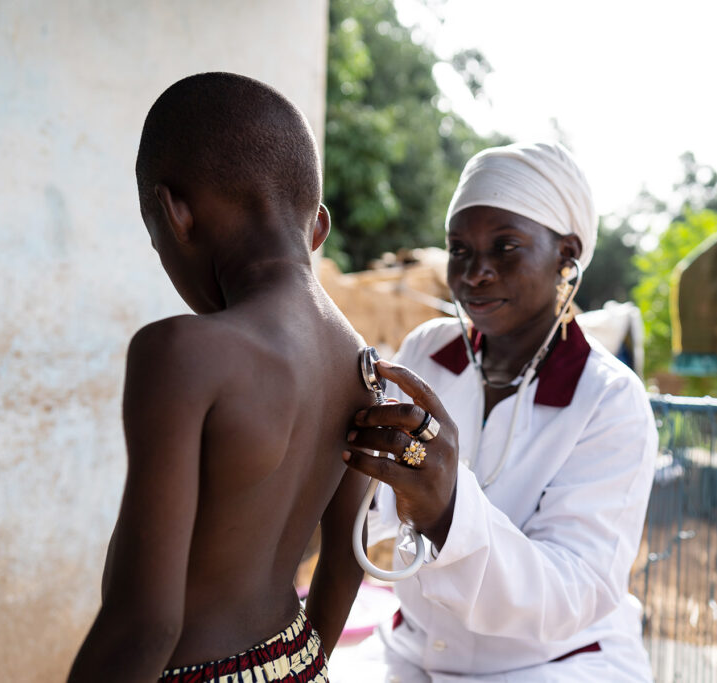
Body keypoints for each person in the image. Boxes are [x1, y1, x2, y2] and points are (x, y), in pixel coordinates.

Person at [68, 72, 371, 682]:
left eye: (155, 242)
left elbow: (145, 624)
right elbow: (346, 562)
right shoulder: (365, 367)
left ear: (173, 213)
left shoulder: (184, 353)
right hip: (303, 663)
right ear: (317, 227)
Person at [340, 141, 658, 681]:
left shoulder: (608, 400)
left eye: (505, 247)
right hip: (414, 649)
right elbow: (374, 509)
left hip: (548, 665)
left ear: (567, 256)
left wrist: (447, 510)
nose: (476, 273)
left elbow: (573, 591)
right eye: (459, 250)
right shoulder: (427, 352)